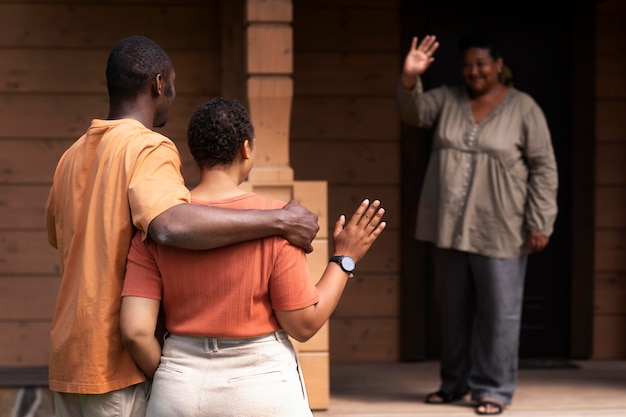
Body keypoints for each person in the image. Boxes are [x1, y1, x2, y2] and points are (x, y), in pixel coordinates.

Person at [45, 36, 319, 417]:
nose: (172, 93)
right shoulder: (148, 147)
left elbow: (61, 240)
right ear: (159, 84)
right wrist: (279, 219)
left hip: (68, 363)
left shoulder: (70, 157)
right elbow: (170, 226)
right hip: (116, 367)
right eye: (172, 83)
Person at [119, 97, 386, 417]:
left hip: (179, 387)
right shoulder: (282, 221)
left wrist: (173, 376)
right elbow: (303, 324)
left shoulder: (158, 224)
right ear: (246, 148)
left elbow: (135, 332)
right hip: (262, 388)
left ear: (195, 153)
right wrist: (344, 258)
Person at [397, 32, 558, 415]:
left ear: (498, 65)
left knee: (499, 313)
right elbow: (413, 112)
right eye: (468, 64)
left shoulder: (524, 108)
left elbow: (544, 168)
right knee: (451, 311)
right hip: (449, 226)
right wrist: (409, 77)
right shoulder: (448, 99)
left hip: (501, 227)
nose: (474, 71)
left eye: (482, 64)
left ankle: (494, 389)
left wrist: (541, 221)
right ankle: (454, 383)